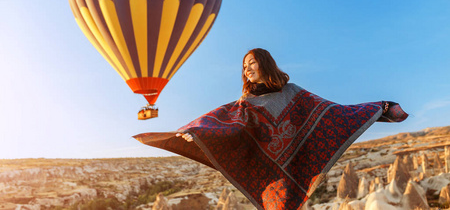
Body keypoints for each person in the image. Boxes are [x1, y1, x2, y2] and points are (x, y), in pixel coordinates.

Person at [135, 48, 407, 210]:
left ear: (264, 63)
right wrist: (194, 131)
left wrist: (377, 109)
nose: (247, 68)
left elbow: (330, 113)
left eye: (251, 62)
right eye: (244, 66)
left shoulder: (294, 93)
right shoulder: (247, 102)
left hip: (297, 161)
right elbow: (227, 123)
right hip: (270, 176)